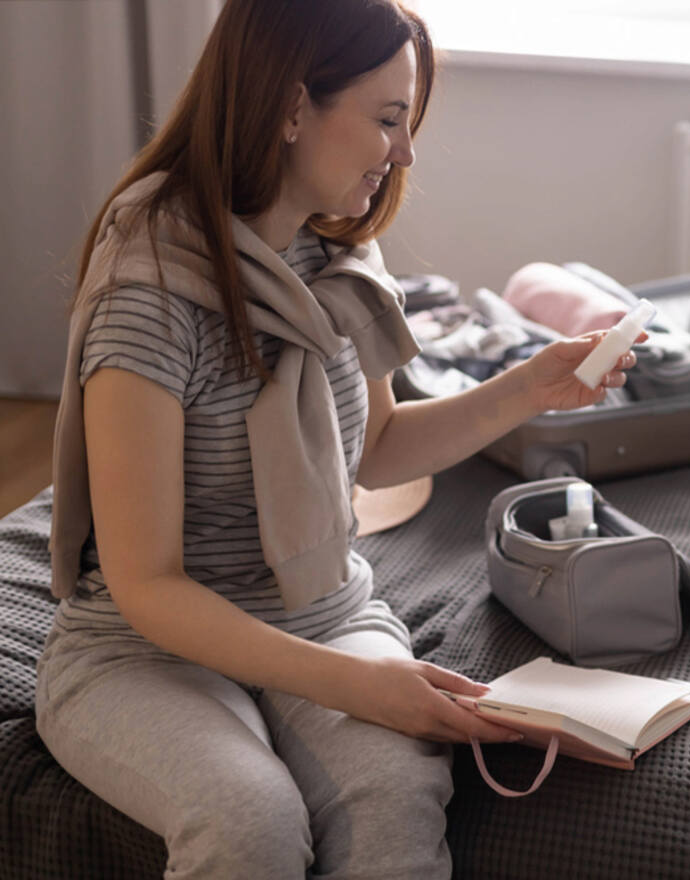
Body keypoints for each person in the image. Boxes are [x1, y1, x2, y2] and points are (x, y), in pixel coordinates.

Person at [35, 1, 640, 877]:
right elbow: (148, 585)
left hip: (325, 612)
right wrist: (358, 683)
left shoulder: (338, 256)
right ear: (289, 108)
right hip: (145, 649)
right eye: (388, 119)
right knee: (251, 821)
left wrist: (528, 389)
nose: (405, 153)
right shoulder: (151, 292)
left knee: (394, 800)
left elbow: (376, 450)